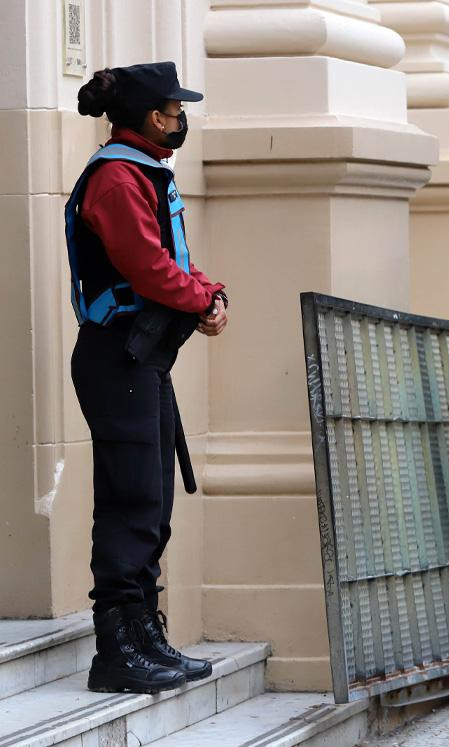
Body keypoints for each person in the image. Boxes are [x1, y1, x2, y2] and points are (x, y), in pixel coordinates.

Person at [69, 63, 228, 694]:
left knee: (151, 503)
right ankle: (117, 650)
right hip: (117, 359)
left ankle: (144, 637)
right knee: (132, 503)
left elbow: (168, 267)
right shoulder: (115, 176)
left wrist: (208, 297)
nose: (179, 117)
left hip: (143, 360)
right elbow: (148, 267)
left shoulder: (143, 170)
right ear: (148, 116)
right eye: (172, 108)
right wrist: (200, 296)